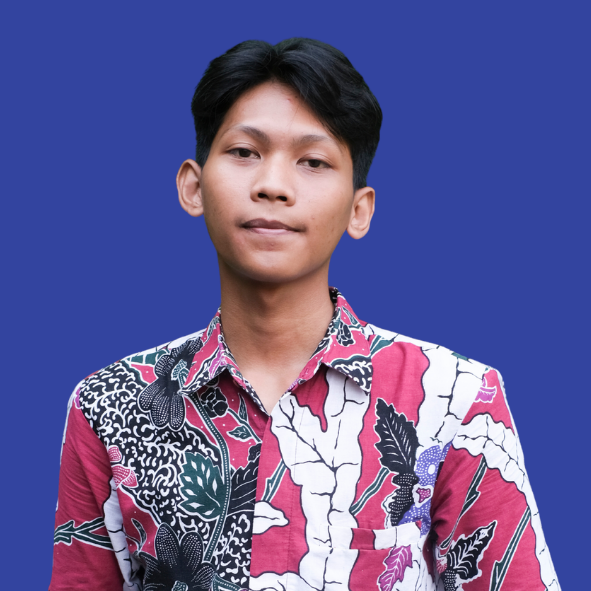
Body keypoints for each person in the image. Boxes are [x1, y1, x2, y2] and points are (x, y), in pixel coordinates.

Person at [50, 38, 560, 591]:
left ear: (359, 209)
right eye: (244, 152)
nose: (273, 185)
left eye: (313, 161)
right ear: (193, 187)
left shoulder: (456, 398)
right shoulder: (109, 404)